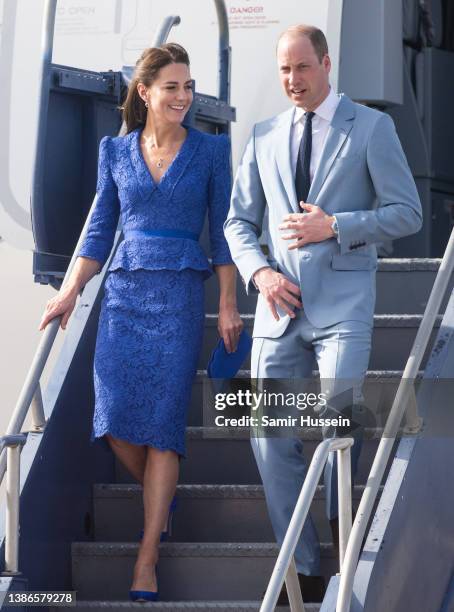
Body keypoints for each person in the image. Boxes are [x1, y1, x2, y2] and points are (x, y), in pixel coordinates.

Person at [224, 25, 422, 604]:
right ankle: (304, 564)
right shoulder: (262, 135)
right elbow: (238, 223)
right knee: (267, 434)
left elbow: (407, 212)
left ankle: (345, 528)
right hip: (277, 308)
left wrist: (336, 225)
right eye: (285, 71)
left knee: (339, 422)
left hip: (343, 306)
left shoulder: (372, 128)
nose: (292, 80)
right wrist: (260, 274)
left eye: (302, 69)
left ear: (327, 64)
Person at [39, 43, 242, 602]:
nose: (183, 96)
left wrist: (227, 303)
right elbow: (99, 231)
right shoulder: (115, 151)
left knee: (163, 430)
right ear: (145, 92)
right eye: (172, 87)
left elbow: (222, 235)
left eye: (188, 86)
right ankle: (162, 496)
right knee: (113, 421)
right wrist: (69, 292)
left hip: (177, 297)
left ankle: (146, 557)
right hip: (123, 296)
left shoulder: (210, 152)